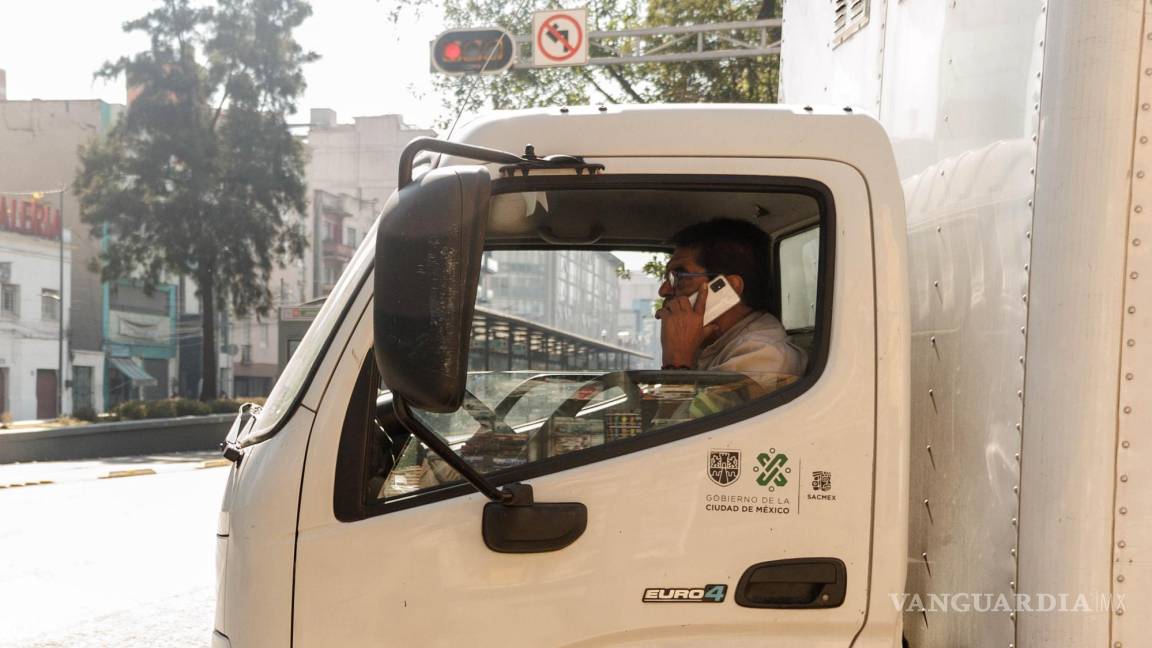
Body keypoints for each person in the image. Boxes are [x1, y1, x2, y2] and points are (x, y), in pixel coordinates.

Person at [656, 218, 807, 391]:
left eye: (679, 277)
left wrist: (677, 362)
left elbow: (684, 419)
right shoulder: (713, 347)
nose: (664, 290)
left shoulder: (762, 359)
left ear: (728, 288)